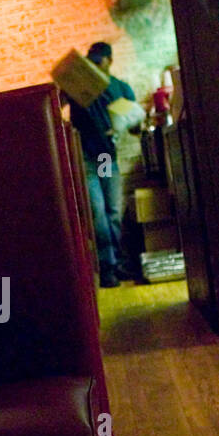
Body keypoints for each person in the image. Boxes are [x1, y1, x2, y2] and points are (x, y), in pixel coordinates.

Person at [63, 41, 140, 287]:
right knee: (99, 214)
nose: (95, 65)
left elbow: (135, 125)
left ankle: (116, 264)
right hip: (87, 157)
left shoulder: (119, 88)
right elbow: (57, 104)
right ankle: (107, 268)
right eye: (91, 60)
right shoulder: (81, 87)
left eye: (99, 60)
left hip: (105, 157)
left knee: (112, 212)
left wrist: (127, 123)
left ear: (109, 60)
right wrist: (65, 85)